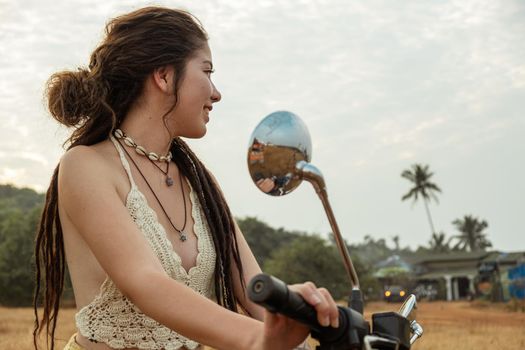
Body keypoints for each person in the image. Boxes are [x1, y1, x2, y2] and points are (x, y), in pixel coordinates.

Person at [33, 6, 339, 350]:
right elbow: (145, 282)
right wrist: (259, 340)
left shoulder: (200, 182)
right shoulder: (87, 165)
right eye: (206, 71)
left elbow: (256, 289)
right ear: (164, 76)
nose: (216, 92)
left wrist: (299, 315)